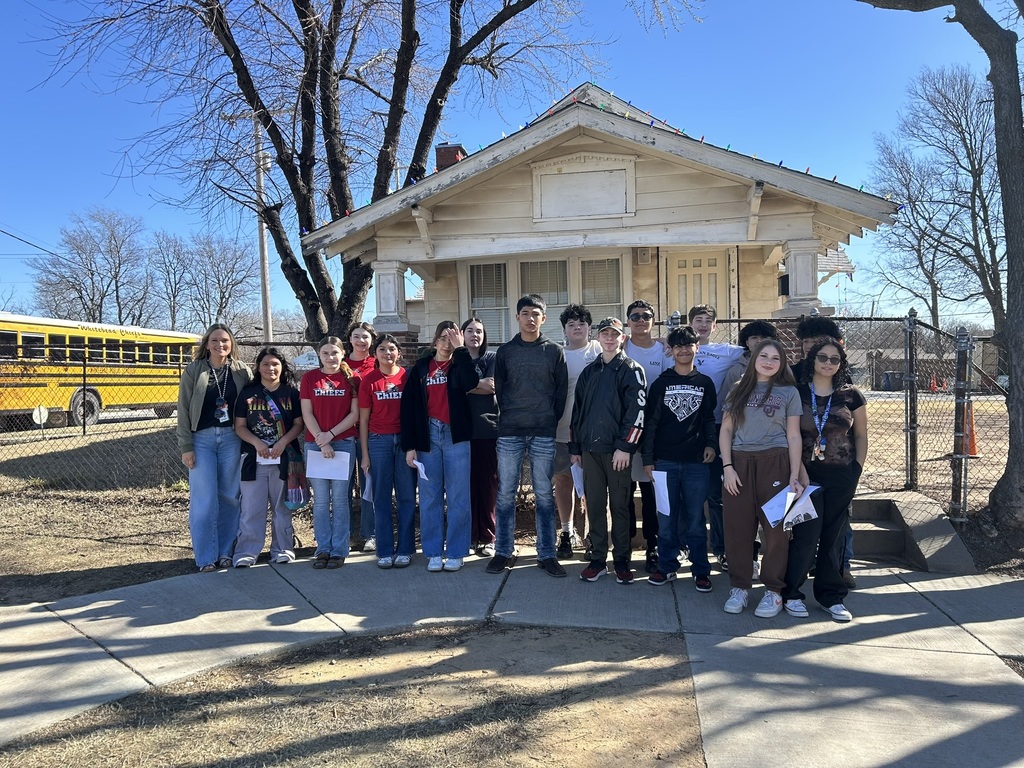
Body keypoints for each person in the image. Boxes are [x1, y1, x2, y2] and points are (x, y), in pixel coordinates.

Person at [782, 340, 867, 622]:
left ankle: (832, 597)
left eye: (835, 359)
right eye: (823, 357)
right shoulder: (797, 392)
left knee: (834, 538)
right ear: (812, 360)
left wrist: (856, 469)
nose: (828, 363)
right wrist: (796, 472)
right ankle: (791, 593)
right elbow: (788, 434)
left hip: (842, 475)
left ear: (841, 364)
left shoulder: (851, 395)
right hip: (807, 476)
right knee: (806, 536)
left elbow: (861, 436)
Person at [719, 338, 804, 617]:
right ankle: (740, 586)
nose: (769, 361)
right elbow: (726, 431)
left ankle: (773, 591)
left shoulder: (789, 392)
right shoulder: (737, 390)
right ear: (754, 358)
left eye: (775, 358)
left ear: (782, 363)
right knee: (738, 529)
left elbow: (794, 435)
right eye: (763, 355)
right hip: (740, 465)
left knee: (777, 531)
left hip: (775, 463)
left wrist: (794, 475)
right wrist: (728, 467)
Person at [486, 294, 569, 578]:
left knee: (545, 495)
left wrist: (548, 420)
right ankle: (503, 552)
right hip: (510, 432)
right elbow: (500, 389)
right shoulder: (506, 352)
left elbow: (560, 393)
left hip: (543, 432)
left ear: (543, 318)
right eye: (525, 313)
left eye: (536, 313)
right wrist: (510, 417)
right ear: (517, 317)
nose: (530, 318)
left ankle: (547, 554)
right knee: (506, 493)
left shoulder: (554, 351)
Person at [570, 317, 646, 584]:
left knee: (620, 506)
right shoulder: (589, 372)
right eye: (605, 334)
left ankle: (622, 561)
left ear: (622, 338)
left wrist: (625, 447)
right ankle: (598, 559)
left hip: (617, 453)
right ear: (598, 338)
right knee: (595, 505)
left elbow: (637, 413)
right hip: (590, 451)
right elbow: (578, 412)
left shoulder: (631, 370)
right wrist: (576, 447)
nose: (610, 338)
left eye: (615, 334)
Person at [641, 325, 718, 591]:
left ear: (697, 347)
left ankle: (700, 570)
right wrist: (648, 458)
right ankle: (667, 566)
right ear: (671, 351)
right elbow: (650, 423)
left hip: (697, 461)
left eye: (689, 345)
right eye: (678, 346)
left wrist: (711, 444)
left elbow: (709, 418)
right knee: (666, 518)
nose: (684, 350)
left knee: (696, 518)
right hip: (664, 462)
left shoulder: (705, 383)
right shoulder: (661, 383)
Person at [401, 321, 480, 571]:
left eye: (452, 338)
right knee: (429, 496)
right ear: (435, 341)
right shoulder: (421, 368)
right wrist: (410, 445)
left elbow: (471, 383)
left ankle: (456, 551)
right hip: (428, 436)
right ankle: (433, 551)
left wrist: (461, 351)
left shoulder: (460, 364)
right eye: (443, 338)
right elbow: (409, 408)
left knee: (458, 496)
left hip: (455, 435)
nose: (447, 343)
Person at [176, 323, 253, 572]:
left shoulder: (241, 371)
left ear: (232, 344)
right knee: (204, 499)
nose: (221, 345)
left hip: (232, 438)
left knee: (230, 497)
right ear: (207, 344)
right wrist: (186, 445)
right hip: (201, 440)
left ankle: (226, 552)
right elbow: (184, 410)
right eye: (215, 341)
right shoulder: (194, 370)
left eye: (225, 341)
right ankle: (206, 557)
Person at [792, 315, 857, 589]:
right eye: (806, 342)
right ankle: (799, 567)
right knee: (803, 521)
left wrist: (856, 464)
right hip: (805, 463)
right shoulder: (793, 375)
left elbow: (853, 423)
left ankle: (841, 566)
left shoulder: (842, 376)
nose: (810, 347)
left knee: (840, 521)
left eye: (816, 342)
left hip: (838, 460)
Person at [233, 347, 305, 567]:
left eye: (275, 364)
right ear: (258, 367)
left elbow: (298, 424)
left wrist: (283, 442)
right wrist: (257, 443)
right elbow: (240, 426)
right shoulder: (247, 393)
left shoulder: (291, 393)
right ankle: (246, 552)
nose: (270, 368)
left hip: (285, 460)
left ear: (282, 367)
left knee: (281, 507)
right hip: (254, 461)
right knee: (251, 508)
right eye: (265, 364)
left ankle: (283, 548)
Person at [689, 304, 746, 572]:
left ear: (714, 326)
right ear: (690, 324)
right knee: (685, 494)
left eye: (707, 321)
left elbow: (758, 350)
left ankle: (721, 550)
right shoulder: (675, 348)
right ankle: (685, 545)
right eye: (697, 320)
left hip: (715, 428)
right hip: (682, 430)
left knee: (715, 495)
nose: (702, 324)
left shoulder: (728, 352)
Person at [300, 337, 360, 569]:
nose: (330, 357)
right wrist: (322, 440)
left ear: (342, 354)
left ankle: (339, 550)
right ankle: (323, 548)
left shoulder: (352, 379)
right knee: (322, 500)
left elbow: (354, 414)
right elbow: (307, 412)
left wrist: (331, 435)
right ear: (319, 355)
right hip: (315, 445)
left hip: (343, 443)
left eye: (334, 352)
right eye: (325, 353)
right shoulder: (310, 378)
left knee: (341, 499)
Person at [359, 334, 417, 568]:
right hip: (378, 441)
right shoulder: (368, 380)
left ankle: (405, 549)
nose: (387, 353)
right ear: (375, 354)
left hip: (405, 441)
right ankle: (384, 550)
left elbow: (415, 414)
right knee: (381, 498)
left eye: (392, 349)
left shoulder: (407, 377)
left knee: (406, 497)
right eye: (382, 349)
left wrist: (412, 445)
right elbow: (363, 420)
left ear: (399, 353)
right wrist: (364, 454)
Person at [554, 304, 601, 559]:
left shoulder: (600, 350)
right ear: (564, 330)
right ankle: (566, 532)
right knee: (564, 481)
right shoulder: (558, 355)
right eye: (571, 325)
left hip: (596, 433)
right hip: (562, 431)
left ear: (590, 328)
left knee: (594, 486)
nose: (577, 328)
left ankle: (595, 536)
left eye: (582, 324)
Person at [623, 299, 666, 573]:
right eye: (635, 316)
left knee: (651, 493)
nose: (641, 320)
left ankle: (654, 545)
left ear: (653, 319)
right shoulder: (621, 346)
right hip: (625, 430)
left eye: (646, 316)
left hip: (655, 431)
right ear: (628, 321)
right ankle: (624, 546)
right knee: (624, 492)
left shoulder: (665, 349)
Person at [462, 317, 499, 557]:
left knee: (487, 485)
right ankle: (467, 535)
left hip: (487, 430)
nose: (475, 335)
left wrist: (464, 385)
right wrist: (477, 384)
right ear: (462, 334)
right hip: (460, 431)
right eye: (470, 331)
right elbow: (450, 385)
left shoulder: (492, 359)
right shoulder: (456, 359)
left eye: (479, 331)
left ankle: (487, 537)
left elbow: (493, 386)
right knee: (462, 487)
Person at [345, 322, 378, 552]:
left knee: (369, 485)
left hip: (371, 432)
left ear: (371, 340)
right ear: (350, 339)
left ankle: (370, 534)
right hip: (343, 433)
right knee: (342, 487)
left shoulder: (377, 363)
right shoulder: (339, 362)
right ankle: (343, 534)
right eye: (356, 336)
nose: (361, 341)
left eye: (365, 337)